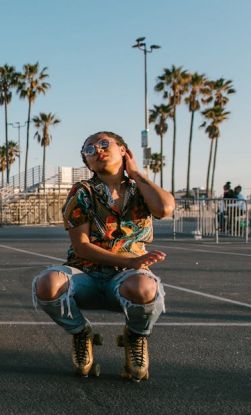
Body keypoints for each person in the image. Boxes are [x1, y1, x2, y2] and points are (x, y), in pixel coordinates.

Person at [32, 131, 174, 382]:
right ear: (87, 163)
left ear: (124, 151)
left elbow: (164, 208)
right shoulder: (82, 193)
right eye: (89, 150)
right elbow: (82, 247)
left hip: (126, 279)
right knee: (47, 284)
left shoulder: (139, 189)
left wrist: (138, 174)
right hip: (86, 274)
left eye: (104, 144)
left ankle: (135, 336)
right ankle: (81, 333)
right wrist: (130, 261)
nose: (97, 150)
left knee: (144, 286)